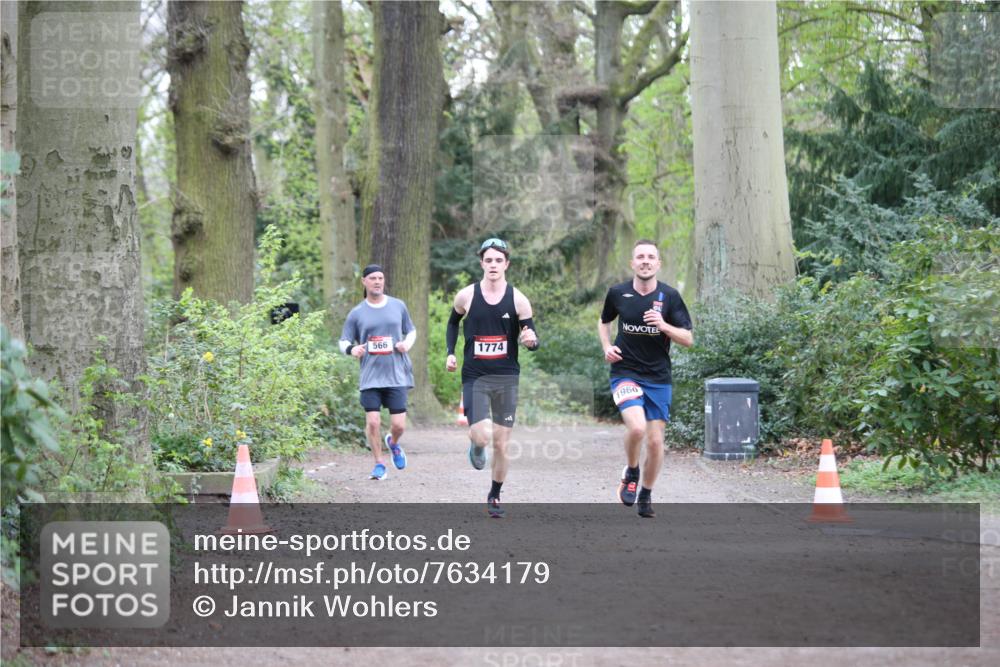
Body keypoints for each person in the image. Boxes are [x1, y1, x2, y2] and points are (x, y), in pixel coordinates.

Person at [598, 240, 693, 518]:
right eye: (640, 257)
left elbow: (688, 338)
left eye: (651, 257)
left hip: (658, 377)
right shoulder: (618, 293)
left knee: (655, 442)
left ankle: (647, 493)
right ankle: (631, 470)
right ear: (632, 263)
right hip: (625, 372)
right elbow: (604, 321)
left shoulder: (670, 297)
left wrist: (663, 325)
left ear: (658, 264)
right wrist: (606, 346)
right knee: (637, 428)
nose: (645, 261)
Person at [446, 238, 538, 518]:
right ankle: (475, 444)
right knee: (483, 436)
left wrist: (531, 340)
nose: (494, 265)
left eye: (499, 260)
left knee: (501, 442)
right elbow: (453, 322)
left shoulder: (519, 300)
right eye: (489, 260)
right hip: (475, 375)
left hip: (506, 376)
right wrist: (450, 352)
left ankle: (495, 494)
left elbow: (532, 337)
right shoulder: (467, 296)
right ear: (482, 263)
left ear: (506, 264)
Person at [339, 264, 416, 480]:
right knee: (373, 422)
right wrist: (351, 349)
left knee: (399, 425)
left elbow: (411, 330)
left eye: (380, 277)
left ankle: (393, 442)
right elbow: (343, 339)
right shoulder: (356, 313)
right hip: (370, 376)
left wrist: (407, 344)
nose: (377, 281)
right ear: (364, 281)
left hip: (396, 374)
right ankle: (379, 463)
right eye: (372, 278)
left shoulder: (398, 306)